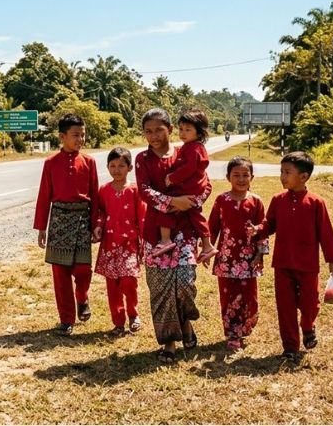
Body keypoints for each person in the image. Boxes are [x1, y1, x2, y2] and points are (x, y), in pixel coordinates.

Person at [246, 151, 333, 362]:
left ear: (304, 176)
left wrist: (332, 262)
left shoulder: (316, 202)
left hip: (307, 265)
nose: (282, 176)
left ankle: (308, 326)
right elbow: (269, 224)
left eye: (287, 172)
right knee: (285, 306)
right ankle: (290, 347)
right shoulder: (278, 200)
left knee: (310, 303)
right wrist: (258, 230)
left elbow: (326, 233)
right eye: (281, 171)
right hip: (282, 263)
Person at [135, 108, 211, 363]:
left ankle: (186, 323)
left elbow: (205, 182)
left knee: (185, 284)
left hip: (186, 231)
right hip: (156, 233)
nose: (153, 135)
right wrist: (171, 202)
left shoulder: (186, 151)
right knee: (160, 288)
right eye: (148, 131)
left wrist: (192, 201)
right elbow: (144, 191)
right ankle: (168, 342)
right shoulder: (142, 159)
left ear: (169, 129)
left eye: (158, 129)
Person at [34, 114, 99, 336]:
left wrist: (95, 224)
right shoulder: (50, 163)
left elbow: (95, 196)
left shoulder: (89, 162)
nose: (80, 139)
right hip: (59, 221)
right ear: (62, 136)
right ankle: (67, 320)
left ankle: (82, 297)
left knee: (83, 271)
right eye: (75, 135)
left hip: (82, 220)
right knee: (60, 274)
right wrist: (42, 228)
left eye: (83, 134)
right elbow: (44, 196)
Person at [208, 156, 269, 352]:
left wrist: (261, 254)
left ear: (252, 177)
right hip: (226, 259)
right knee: (228, 297)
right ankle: (232, 334)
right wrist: (207, 249)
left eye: (245, 175)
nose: (241, 179)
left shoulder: (256, 201)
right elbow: (212, 227)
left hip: (249, 259)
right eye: (236, 175)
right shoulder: (221, 200)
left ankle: (245, 326)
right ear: (228, 177)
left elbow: (263, 229)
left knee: (249, 297)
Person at [92, 147, 146, 336]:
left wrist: (144, 242)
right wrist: (98, 226)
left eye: (121, 166)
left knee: (128, 281)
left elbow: (142, 218)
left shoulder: (134, 190)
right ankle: (118, 322)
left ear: (129, 168)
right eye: (112, 166)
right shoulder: (104, 190)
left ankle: (133, 314)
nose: (116, 170)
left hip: (129, 244)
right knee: (112, 285)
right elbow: (101, 213)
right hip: (109, 245)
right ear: (107, 167)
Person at [152, 109, 217, 265]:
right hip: (192, 189)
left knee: (166, 205)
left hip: (187, 188)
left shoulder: (193, 148)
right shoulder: (190, 147)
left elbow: (189, 168)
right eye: (181, 129)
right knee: (197, 216)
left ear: (199, 132)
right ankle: (207, 246)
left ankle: (165, 240)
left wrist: (172, 177)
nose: (183, 133)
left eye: (188, 130)